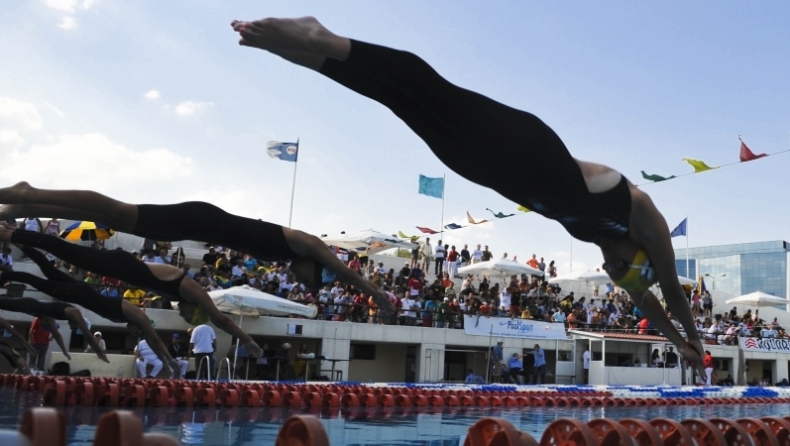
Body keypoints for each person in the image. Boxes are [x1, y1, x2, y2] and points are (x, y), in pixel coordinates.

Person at [227, 16, 705, 374]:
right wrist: (697, 343)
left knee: (400, 101)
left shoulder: (611, 248)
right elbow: (669, 295)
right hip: (526, 148)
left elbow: (648, 303)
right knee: (433, 91)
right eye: (623, 268)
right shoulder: (641, 212)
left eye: (616, 275)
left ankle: (307, 55)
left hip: (489, 171)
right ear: (639, 254)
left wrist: (678, 345)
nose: (611, 269)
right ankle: (323, 37)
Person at [0, 186, 394, 314]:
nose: (305, 282)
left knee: (116, 219)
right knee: (115, 211)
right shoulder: (303, 243)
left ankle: (27, 205)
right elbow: (343, 270)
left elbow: (330, 276)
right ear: (315, 263)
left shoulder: (288, 255)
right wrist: (376, 293)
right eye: (313, 278)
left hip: (193, 225)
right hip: (197, 220)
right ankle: (26, 193)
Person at [0, 227, 262, 359]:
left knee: (61, 259)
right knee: (67, 252)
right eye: (186, 315)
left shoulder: (182, 296)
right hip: (122, 265)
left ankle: (12, 239)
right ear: (195, 312)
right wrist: (248, 340)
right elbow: (222, 320)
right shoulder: (194, 293)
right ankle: (8, 232)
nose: (180, 313)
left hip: (122, 268)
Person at [0, 245, 175, 372]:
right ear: (141, 326)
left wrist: (165, 360)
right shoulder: (138, 316)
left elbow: (154, 341)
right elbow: (155, 340)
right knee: (39, 280)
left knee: (48, 271)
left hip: (80, 294)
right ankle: (8, 266)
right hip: (80, 294)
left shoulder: (130, 318)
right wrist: (169, 361)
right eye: (136, 332)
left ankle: (20, 247)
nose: (132, 332)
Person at [0, 296, 108, 363]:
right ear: (80, 323)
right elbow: (87, 335)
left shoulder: (60, 315)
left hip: (26, 308)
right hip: (26, 305)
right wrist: (100, 352)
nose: (71, 327)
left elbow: (56, 334)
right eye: (74, 328)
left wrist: (64, 351)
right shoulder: (73, 312)